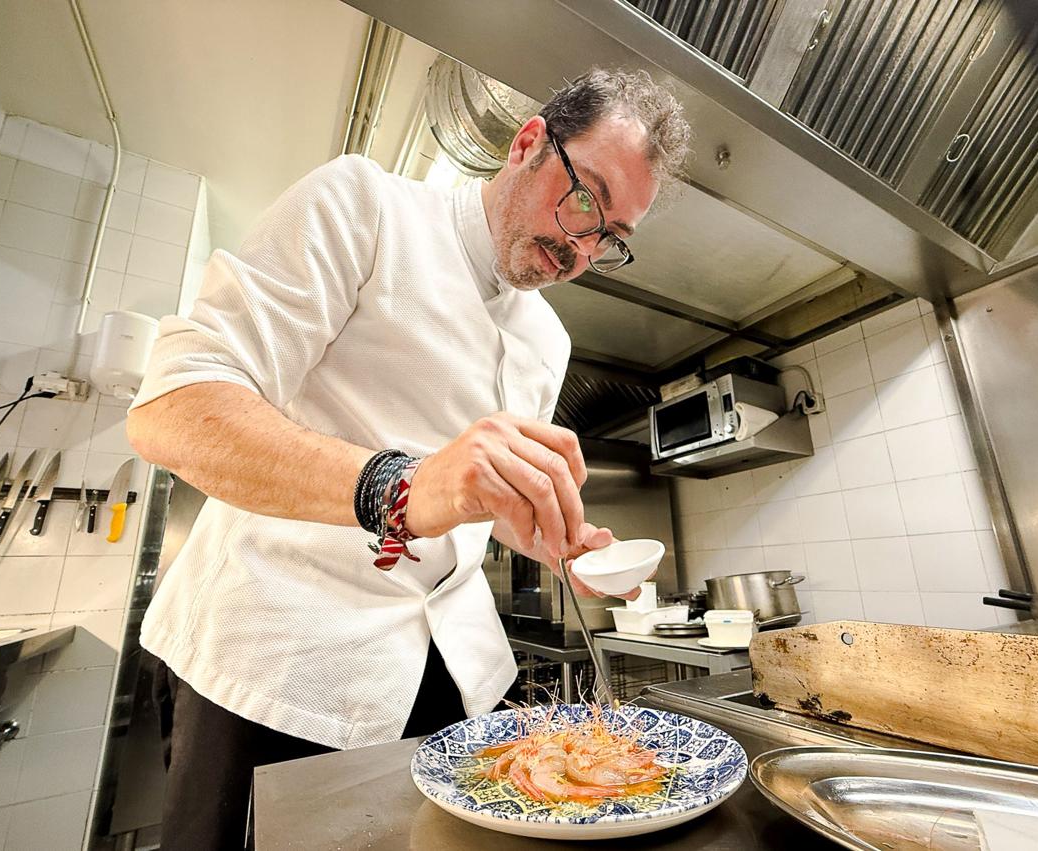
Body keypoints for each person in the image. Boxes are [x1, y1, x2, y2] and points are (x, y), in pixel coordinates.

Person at [126, 66, 691, 849]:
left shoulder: (548, 341)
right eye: (584, 198)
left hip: (453, 678)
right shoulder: (366, 206)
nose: (580, 246)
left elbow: (477, 503)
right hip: (280, 662)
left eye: (610, 236)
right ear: (528, 143)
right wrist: (405, 483)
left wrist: (551, 536)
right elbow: (174, 408)